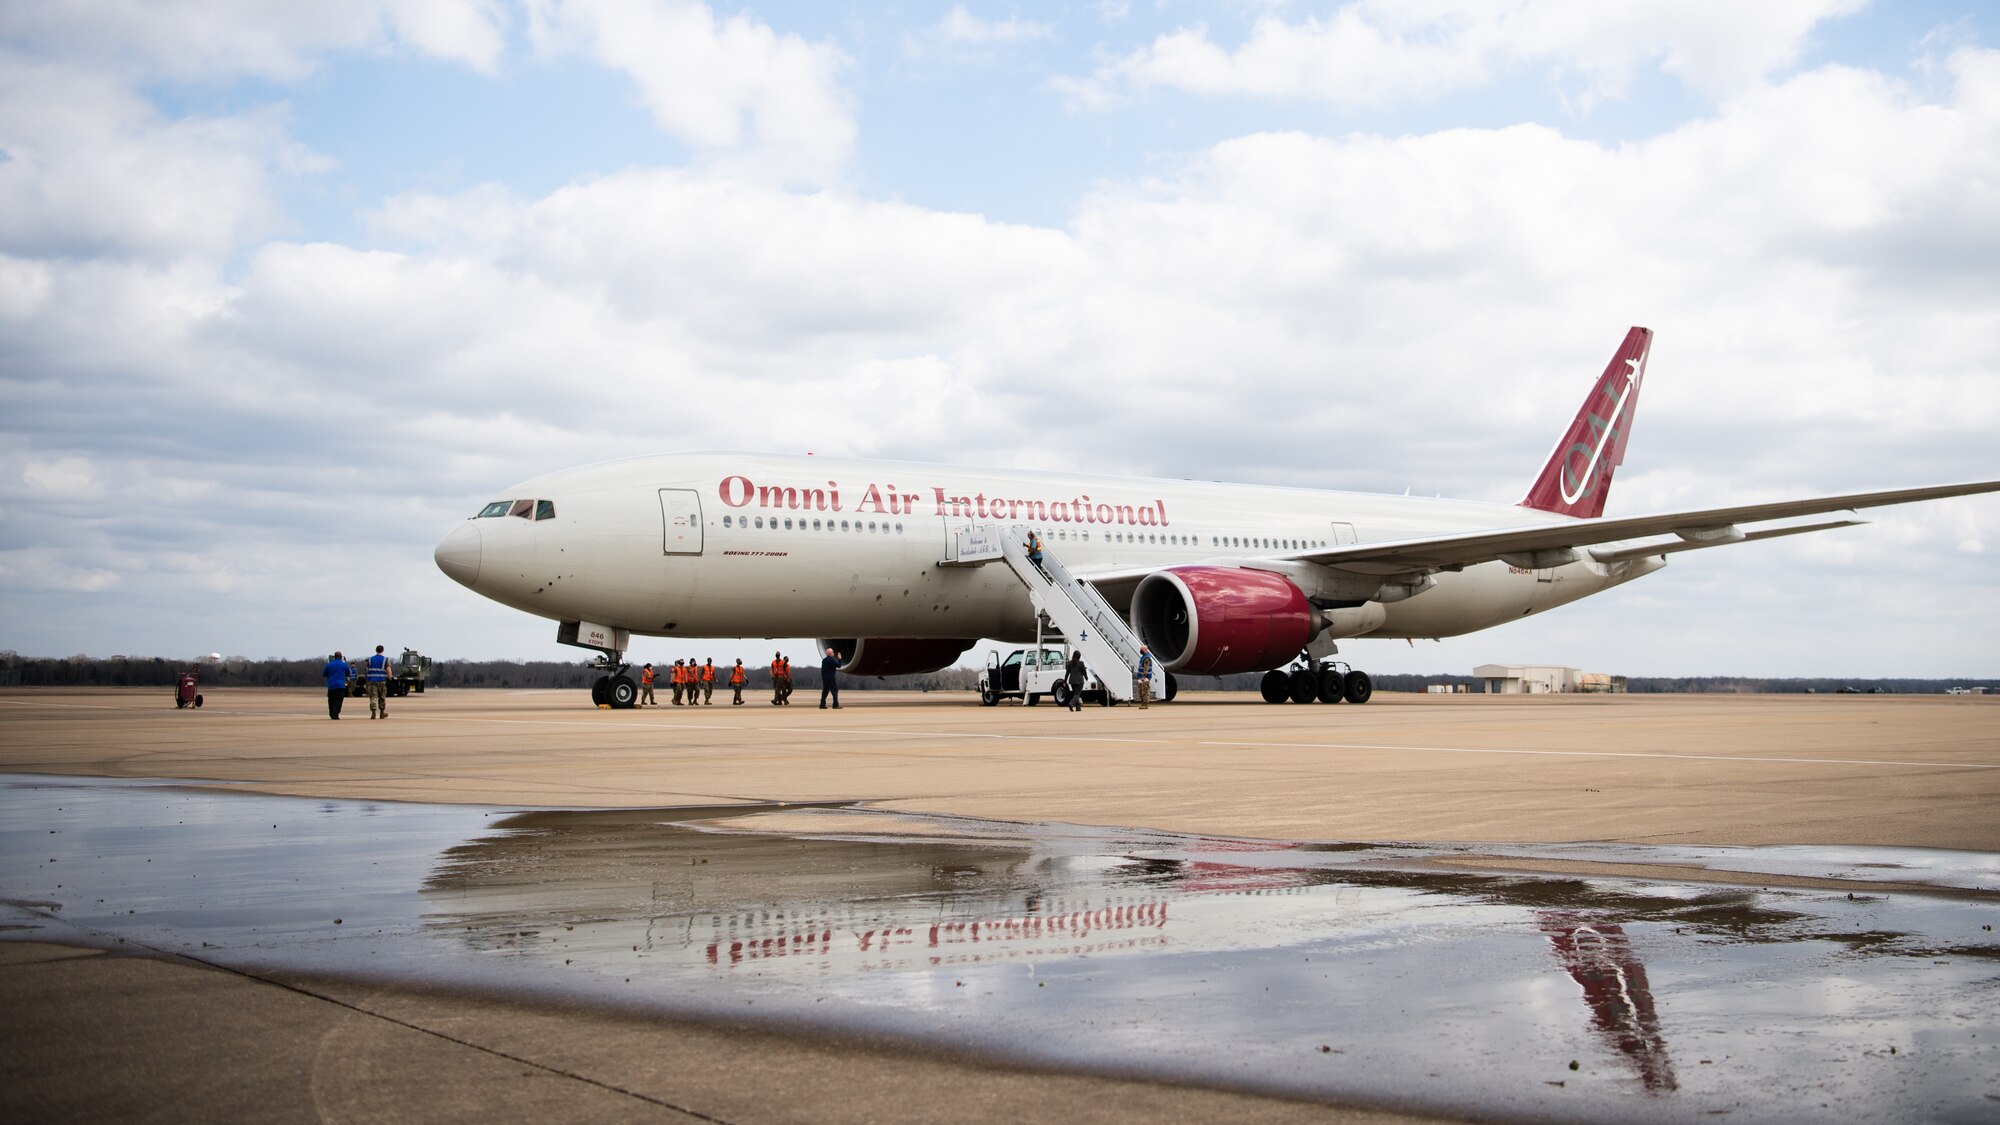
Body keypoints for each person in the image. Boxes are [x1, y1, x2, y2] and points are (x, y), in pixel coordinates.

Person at [365, 644, 391, 719]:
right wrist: (390, 678)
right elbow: (388, 670)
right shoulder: (385, 659)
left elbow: (366, 670)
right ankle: (382, 713)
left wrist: (367, 677)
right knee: (382, 697)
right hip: (382, 680)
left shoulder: (370, 659)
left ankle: (373, 712)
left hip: (372, 681)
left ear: (376, 650)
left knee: (373, 696)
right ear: (383, 650)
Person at [322, 651, 349, 720]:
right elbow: (348, 673)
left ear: (334, 657)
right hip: (340, 685)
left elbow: (324, 673)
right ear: (341, 656)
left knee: (331, 700)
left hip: (331, 685)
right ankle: (335, 714)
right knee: (338, 701)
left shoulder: (329, 664)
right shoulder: (344, 664)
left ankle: (331, 713)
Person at [1135, 645, 1154, 710]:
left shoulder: (1146, 658)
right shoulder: (1144, 657)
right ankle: (1143, 703)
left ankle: (1145, 704)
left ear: (1145, 650)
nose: (1140, 651)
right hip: (1142, 677)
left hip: (1145, 677)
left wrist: (1143, 677)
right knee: (1141, 691)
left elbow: (1146, 668)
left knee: (1145, 691)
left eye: (1141, 650)